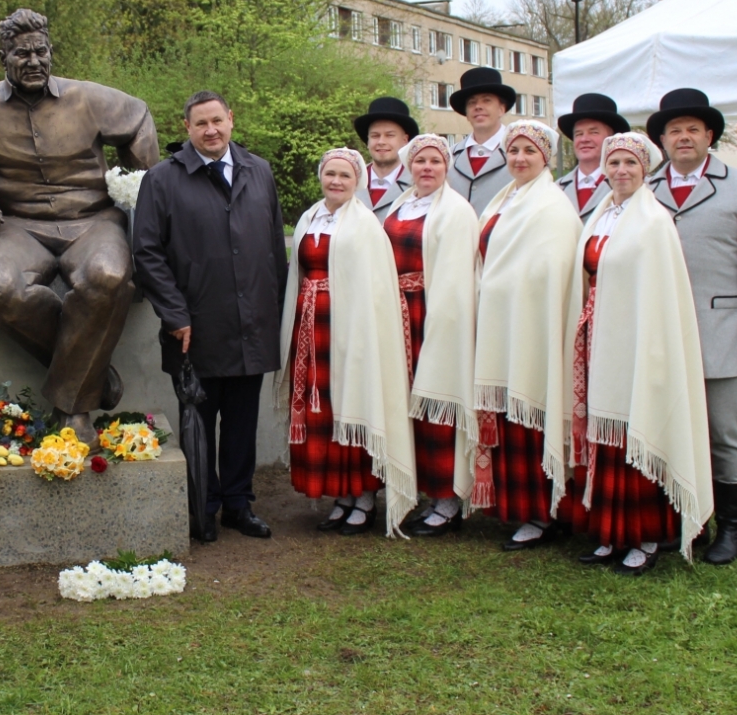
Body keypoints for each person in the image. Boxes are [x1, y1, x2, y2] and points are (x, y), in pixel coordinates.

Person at [0, 8, 160, 445]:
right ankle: (92, 374)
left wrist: (140, 182)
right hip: (17, 226)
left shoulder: (86, 97)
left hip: (93, 221)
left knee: (109, 277)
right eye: (22, 54)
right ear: (4, 56)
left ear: (51, 52)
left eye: (41, 51)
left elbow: (139, 119)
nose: (34, 61)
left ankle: (72, 411)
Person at [133, 91, 285, 540]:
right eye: (201, 124)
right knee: (198, 420)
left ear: (231, 120)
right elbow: (147, 253)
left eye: (217, 120)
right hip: (193, 329)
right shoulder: (162, 180)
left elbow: (274, 247)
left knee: (242, 423)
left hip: (251, 324)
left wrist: (274, 311)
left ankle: (239, 504)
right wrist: (176, 315)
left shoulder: (259, 172)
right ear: (187, 129)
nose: (211, 130)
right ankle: (205, 507)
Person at [564, 133, 713, 575]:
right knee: (604, 436)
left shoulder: (653, 221)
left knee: (635, 433)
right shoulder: (600, 214)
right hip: (599, 341)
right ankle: (611, 533)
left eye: (630, 163)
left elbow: (659, 295)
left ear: (645, 169)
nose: (621, 171)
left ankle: (645, 536)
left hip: (637, 344)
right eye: (614, 163)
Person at [646, 88, 737, 566]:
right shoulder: (646, 187)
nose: (683, 138)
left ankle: (732, 526)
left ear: (710, 137)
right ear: (662, 139)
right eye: (674, 131)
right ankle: (688, 518)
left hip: (719, 327)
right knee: (673, 425)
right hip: (661, 333)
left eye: (693, 130)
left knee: (723, 429)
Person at [277, 148, 414, 536]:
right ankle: (340, 495)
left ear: (358, 182)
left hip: (350, 329)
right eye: (330, 174)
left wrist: (361, 334)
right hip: (311, 324)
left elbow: (376, 290)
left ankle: (364, 496)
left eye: (345, 176)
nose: (336, 181)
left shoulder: (366, 225)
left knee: (352, 404)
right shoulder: (309, 218)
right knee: (322, 412)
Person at [471, 123, 581, 550]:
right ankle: (515, 507)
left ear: (547, 158)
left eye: (529, 152)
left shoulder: (551, 207)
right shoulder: (506, 197)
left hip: (532, 329)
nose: (519, 158)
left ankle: (542, 513)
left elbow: (551, 272)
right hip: (499, 322)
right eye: (513, 150)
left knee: (530, 419)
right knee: (506, 420)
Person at [382, 135, 479, 537]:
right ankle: (417, 488)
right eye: (419, 160)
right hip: (397, 311)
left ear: (446, 167)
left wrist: (441, 322)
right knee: (405, 405)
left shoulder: (456, 210)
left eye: (435, 161)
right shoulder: (401, 203)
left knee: (438, 402)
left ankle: (448, 498)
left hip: (433, 313)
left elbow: (457, 277)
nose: (426, 168)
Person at [449, 67, 516, 214]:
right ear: (466, 113)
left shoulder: (521, 154)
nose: (478, 107)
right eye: (472, 102)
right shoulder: (449, 157)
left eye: (487, 100)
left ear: (501, 109)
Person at [555, 93, 631, 221]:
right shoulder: (556, 189)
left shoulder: (632, 185)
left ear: (611, 138)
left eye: (593, 132)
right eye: (579, 134)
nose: (584, 139)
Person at [353, 96, 419, 223]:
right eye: (375, 136)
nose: (381, 142)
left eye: (389, 135)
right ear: (368, 141)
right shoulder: (350, 180)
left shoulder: (417, 184)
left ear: (405, 140)